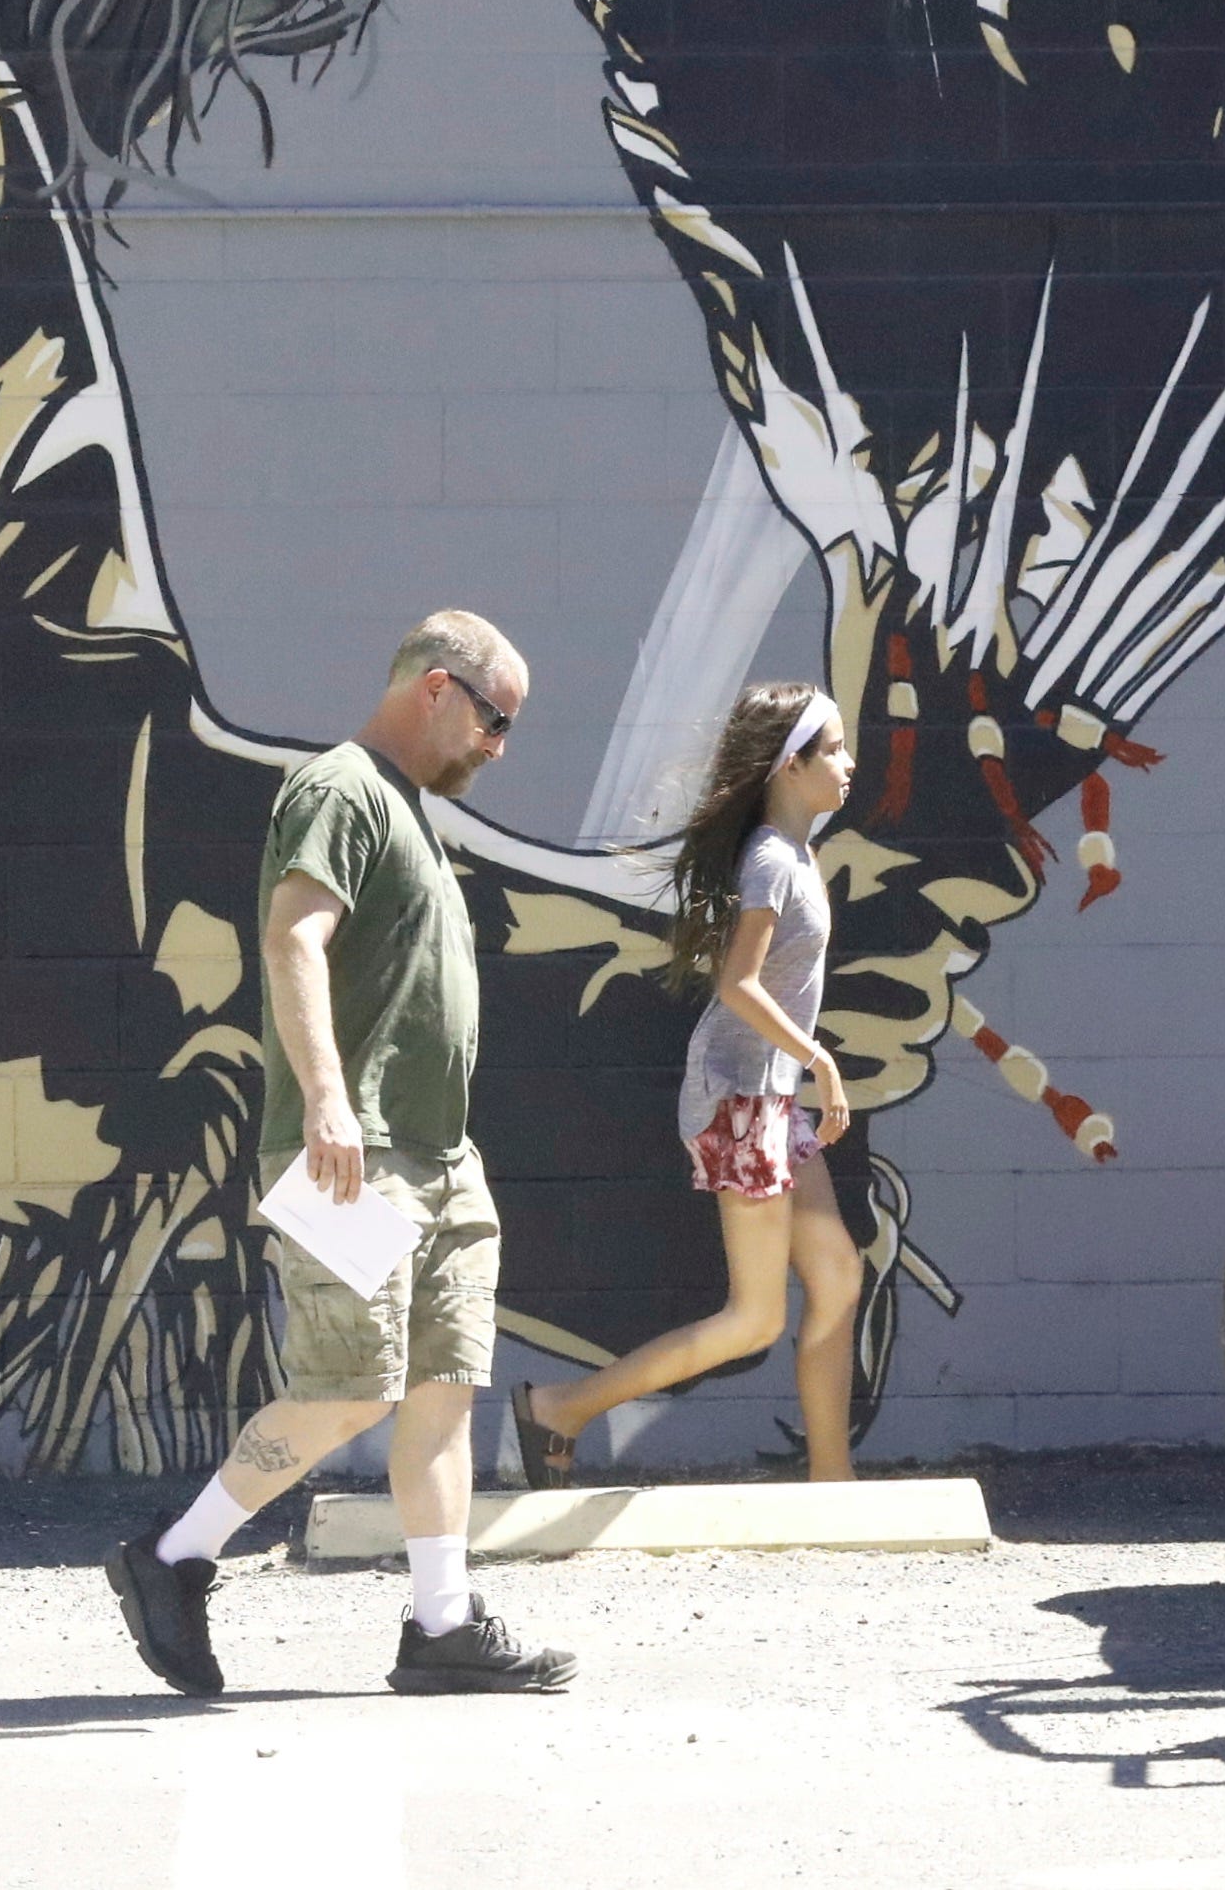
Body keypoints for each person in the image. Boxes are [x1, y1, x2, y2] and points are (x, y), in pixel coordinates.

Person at [107, 611, 578, 1697]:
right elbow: (292, 936)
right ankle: (171, 1556)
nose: (498, 746)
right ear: (436, 688)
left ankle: (441, 1625)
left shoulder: (407, 809)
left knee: (442, 1387)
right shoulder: (341, 788)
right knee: (349, 1389)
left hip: (439, 1158)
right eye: (495, 718)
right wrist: (325, 1100)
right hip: (348, 1153)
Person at [507, 682, 866, 1488]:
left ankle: (832, 1483)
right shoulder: (772, 860)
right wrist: (821, 1059)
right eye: (833, 748)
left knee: (838, 1272)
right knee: (755, 1318)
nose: (850, 763)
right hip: (740, 1098)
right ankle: (560, 1407)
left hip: (766, 1096)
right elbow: (737, 982)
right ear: (789, 763)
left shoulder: (795, 853)